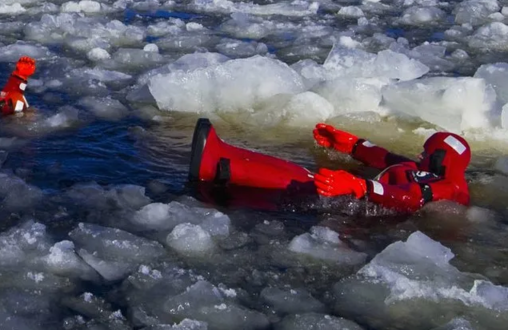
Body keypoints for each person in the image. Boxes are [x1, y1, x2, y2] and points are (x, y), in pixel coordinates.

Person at [188, 119, 471, 213]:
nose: (420, 154)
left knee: (306, 180)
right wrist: (350, 144)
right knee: (300, 171)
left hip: (374, 207)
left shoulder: (447, 188)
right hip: (369, 193)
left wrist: (360, 186)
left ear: (438, 159)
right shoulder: (421, 169)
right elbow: (384, 158)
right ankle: (225, 152)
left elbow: (409, 198)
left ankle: (219, 167)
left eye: (427, 152)